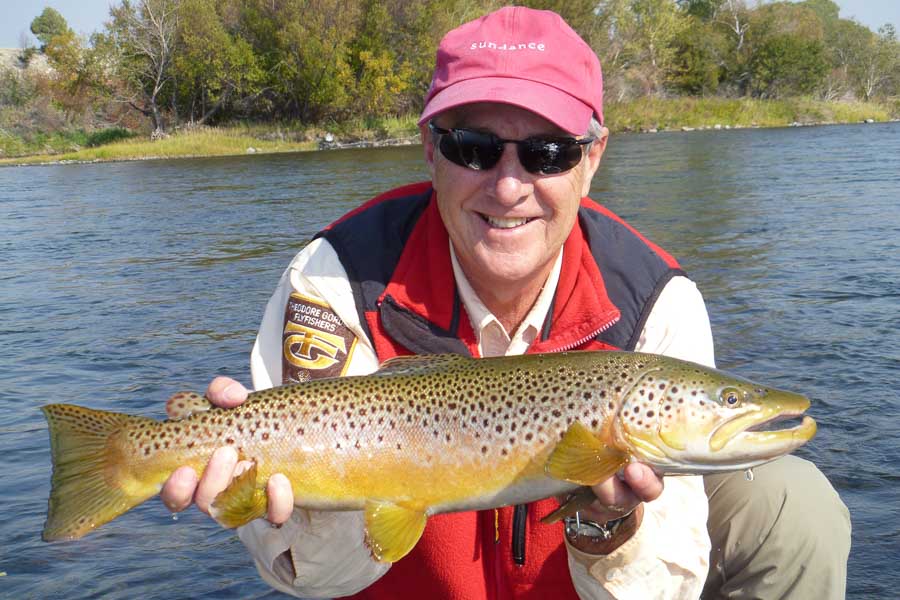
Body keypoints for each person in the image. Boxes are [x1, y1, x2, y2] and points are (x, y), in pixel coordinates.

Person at [161, 7, 850, 599]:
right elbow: (306, 576)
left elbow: (662, 586)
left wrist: (606, 527)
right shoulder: (340, 275)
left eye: (548, 152)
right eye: (475, 147)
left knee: (791, 503)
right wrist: (300, 514)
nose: (510, 186)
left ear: (593, 158)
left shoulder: (655, 301)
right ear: (430, 149)